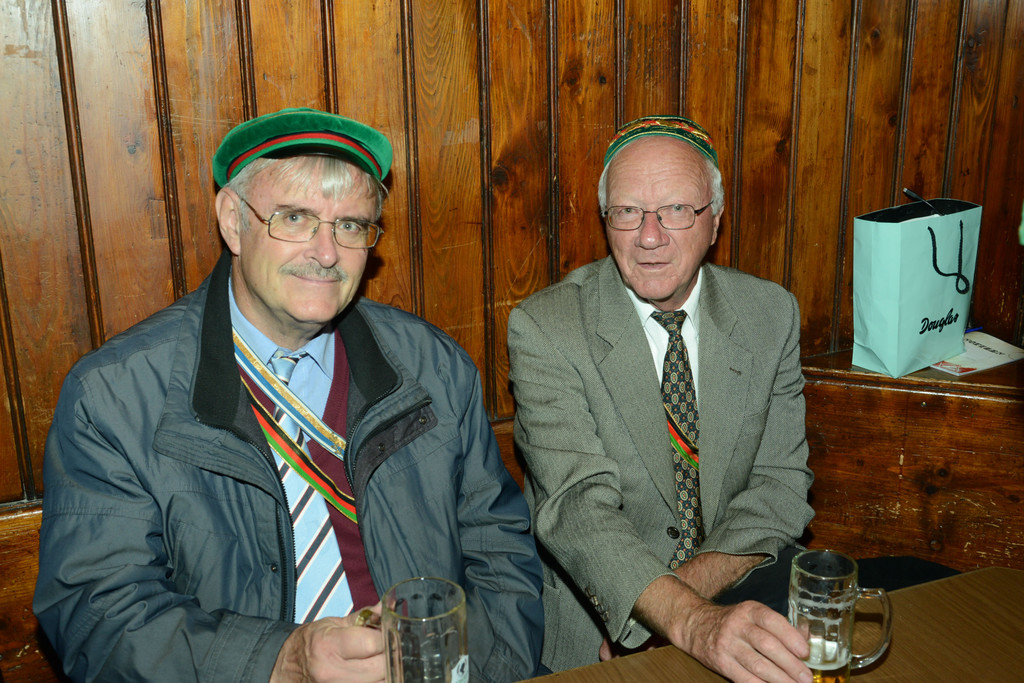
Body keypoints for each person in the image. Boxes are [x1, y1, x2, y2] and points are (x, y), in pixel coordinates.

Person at [34, 107, 543, 683]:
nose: (326, 253)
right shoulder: (114, 397)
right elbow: (98, 618)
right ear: (233, 221)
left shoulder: (434, 367)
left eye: (350, 225)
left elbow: (500, 553)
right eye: (296, 218)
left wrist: (465, 672)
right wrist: (282, 660)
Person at [508, 115, 816, 683]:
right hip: (598, 636)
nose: (649, 237)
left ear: (715, 220)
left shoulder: (769, 314)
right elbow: (578, 510)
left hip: (739, 604)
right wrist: (682, 619)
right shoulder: (547, 327)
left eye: (676, 209)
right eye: (627, 211)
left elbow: (780, 487)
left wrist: (678, 608)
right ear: (606, 221)